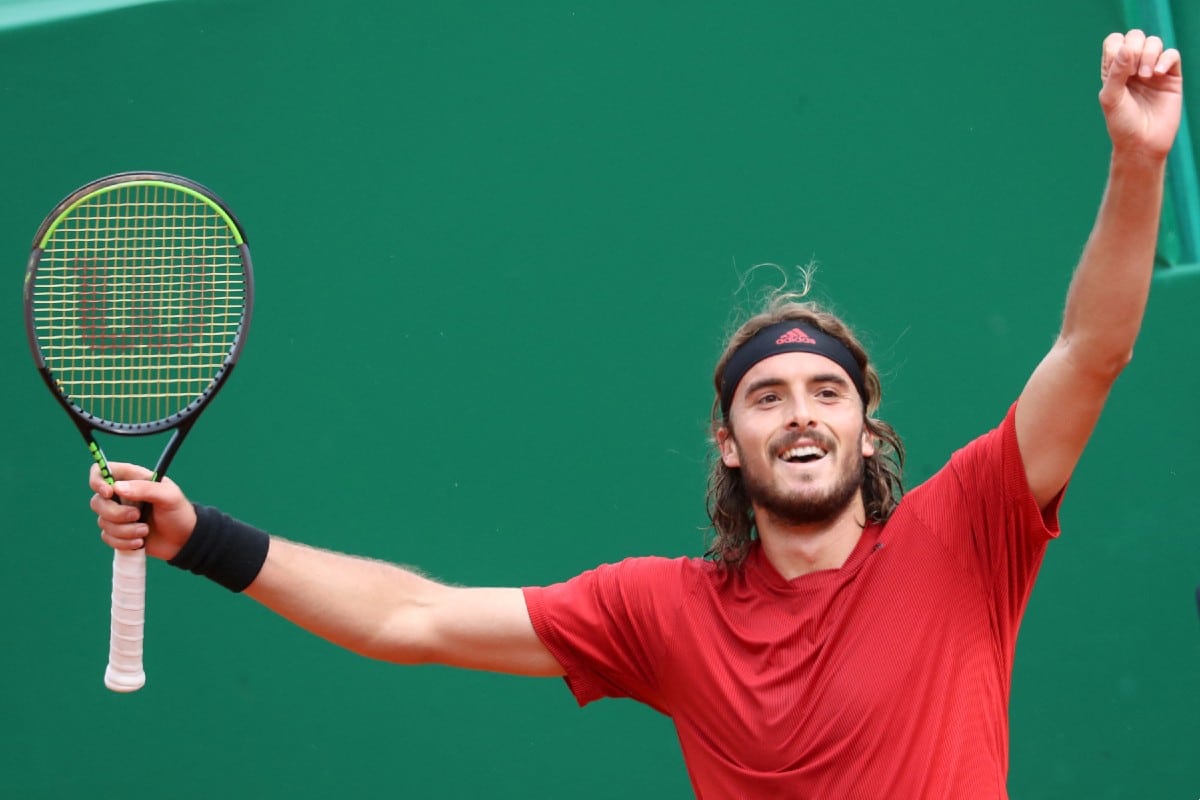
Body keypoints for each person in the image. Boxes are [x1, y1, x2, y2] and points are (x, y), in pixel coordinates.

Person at [90, 30, 1183, 799]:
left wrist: (1138, 162)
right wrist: (200, 540)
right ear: (728, 439)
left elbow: (1096, 350)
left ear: (866, 426)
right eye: (767, 396)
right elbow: (407, 617)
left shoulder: (968, 535)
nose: (799, 416)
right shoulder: (664, 612)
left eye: (826, 393)